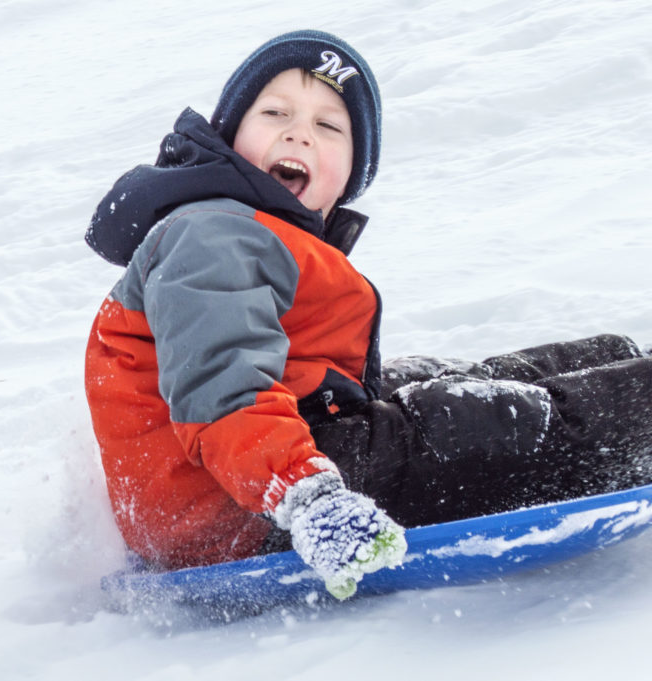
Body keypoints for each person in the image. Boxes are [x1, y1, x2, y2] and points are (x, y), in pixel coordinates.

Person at [82, 30, 652, 600]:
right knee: (465, 419)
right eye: (275, 112)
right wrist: (307, 498)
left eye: (328, 126)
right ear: (230, 135)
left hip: (280, 450)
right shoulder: (211, 236)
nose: (298, 130)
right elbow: (223, 388)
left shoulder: (255, 233)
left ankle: (624, 364)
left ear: (351, 173)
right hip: (243, 506)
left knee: (452, 377)